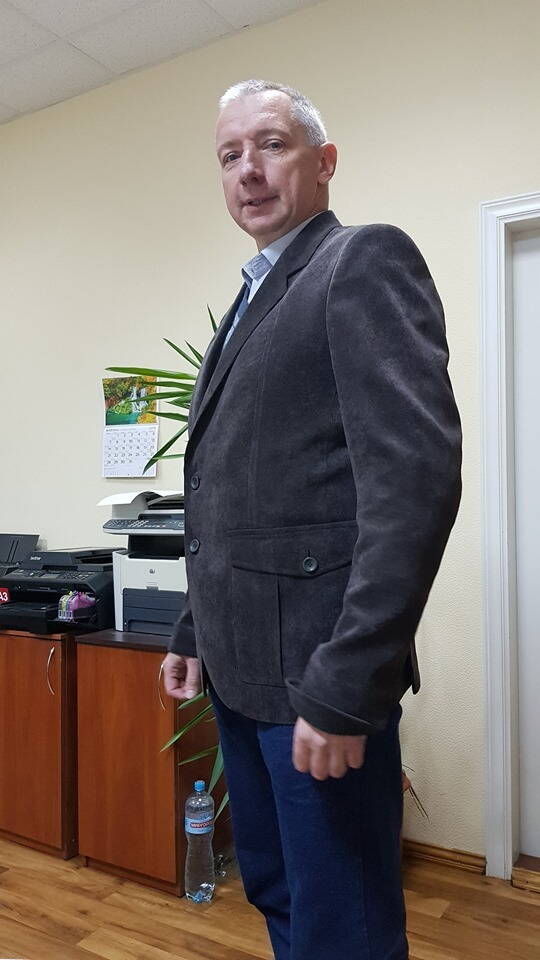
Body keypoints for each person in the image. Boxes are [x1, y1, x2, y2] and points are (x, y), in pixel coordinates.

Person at [163, 79, 462, 960]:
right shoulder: (249, 300)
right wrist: (193, 628)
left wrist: (347, 687)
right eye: (229, 156)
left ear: (324, 161)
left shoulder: (359, 261)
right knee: (281, 894)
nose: (248, 171)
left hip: (316, 687)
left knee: (344, 927)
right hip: (240, 677)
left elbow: (414, 487)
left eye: (271, 145)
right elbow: (236, 495)